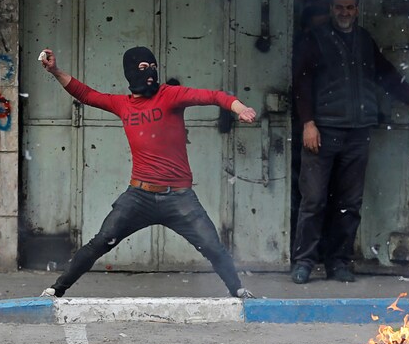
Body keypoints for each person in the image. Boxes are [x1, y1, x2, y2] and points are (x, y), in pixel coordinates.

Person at [39, 46, 258, 299]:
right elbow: (86, 94)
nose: (150, 74)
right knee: (101, 242)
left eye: (153, 67)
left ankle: (239, 291)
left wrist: (238, 107)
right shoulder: (123, 105)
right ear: (130, 73)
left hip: (179, 198)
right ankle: (56, 290)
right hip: (139, 197)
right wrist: (55, 70)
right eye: (143, 69)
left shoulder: (170, 95)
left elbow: (213, 96)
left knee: (213, 247)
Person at [291, 0, 409, 284]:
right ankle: (304, 262)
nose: (344, 13)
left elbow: (387, 75)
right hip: (323, 131)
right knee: (313, 200)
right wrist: (308, 123)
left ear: (357, 9)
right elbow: (301, 83)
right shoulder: (314, 40)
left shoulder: (364, 40)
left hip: (357, 132)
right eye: (339, 7)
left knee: (349, 203)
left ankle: (338, 262)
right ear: (331, 9)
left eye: (350, 7)